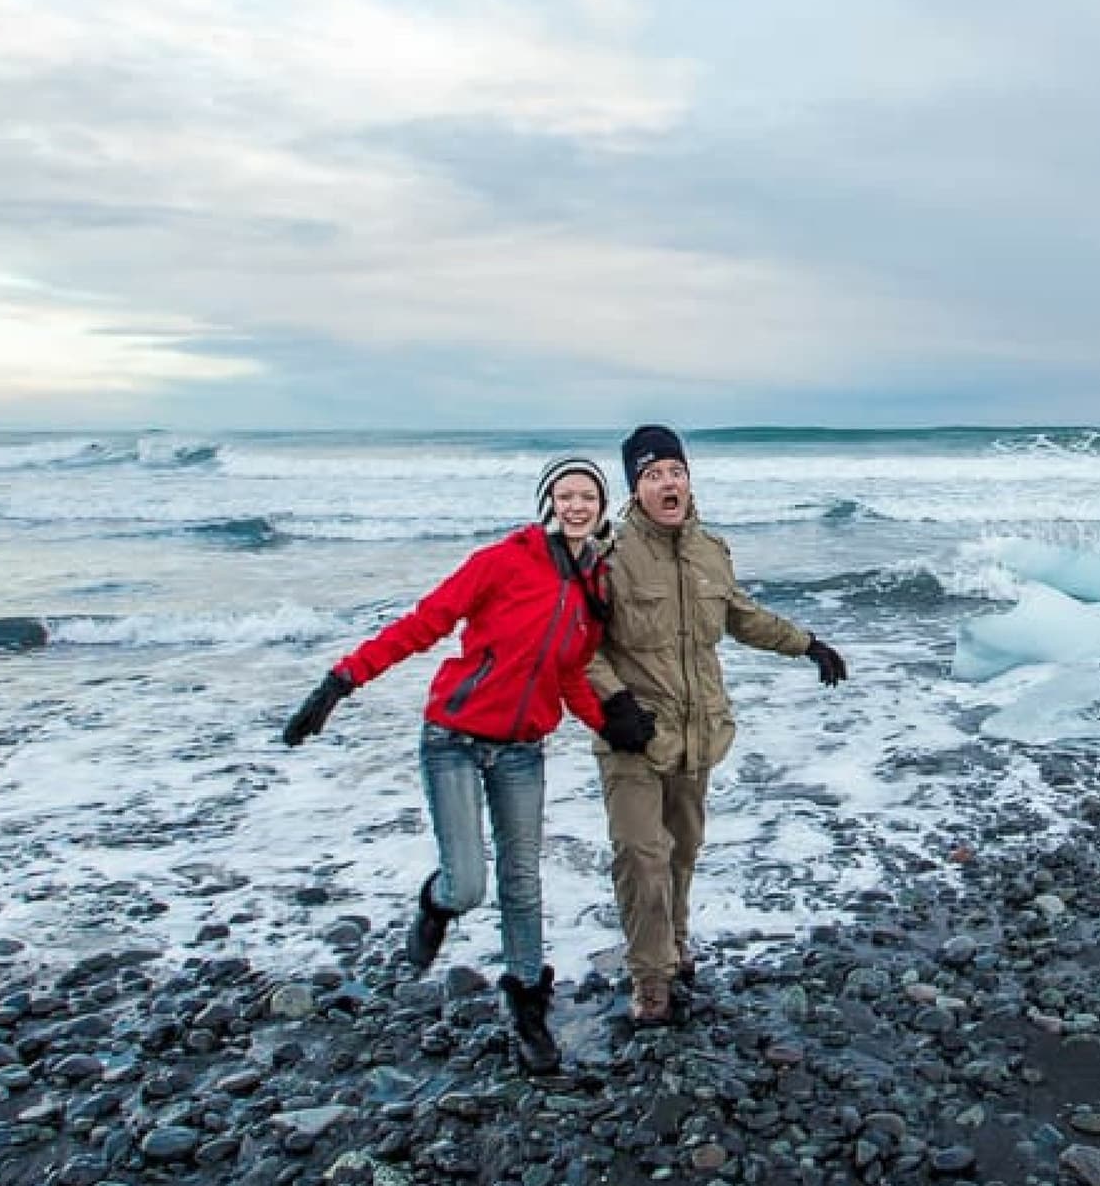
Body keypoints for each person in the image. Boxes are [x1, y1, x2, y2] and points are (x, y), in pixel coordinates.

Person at [280, 452, 655, 1073]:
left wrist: (610, 726)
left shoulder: (593, 590)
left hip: (522, 752)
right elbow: (423, 624)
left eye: (587, 495)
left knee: (522, 881)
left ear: (601, 507)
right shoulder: (503, 562)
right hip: (453, 737)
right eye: (564, 495)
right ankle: (437, 905)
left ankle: (528, 1006)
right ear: (548, 505)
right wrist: (340, 682)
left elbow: (567, 675)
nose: (576, 505)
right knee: (468, 884)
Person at [586, 424, 849, 1027]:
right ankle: (649, 977)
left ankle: (675, 944)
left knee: (682, 850)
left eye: (675, 471)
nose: (667, 483)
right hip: (630, 735)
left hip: (697, 730)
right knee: (639, 854)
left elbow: (741, 616)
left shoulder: (711, 550)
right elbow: (580, 645)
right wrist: (614, 701)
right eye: (653, 475)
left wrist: (807, 645)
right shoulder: (608, 556)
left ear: (688, 478)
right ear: (635, 488)